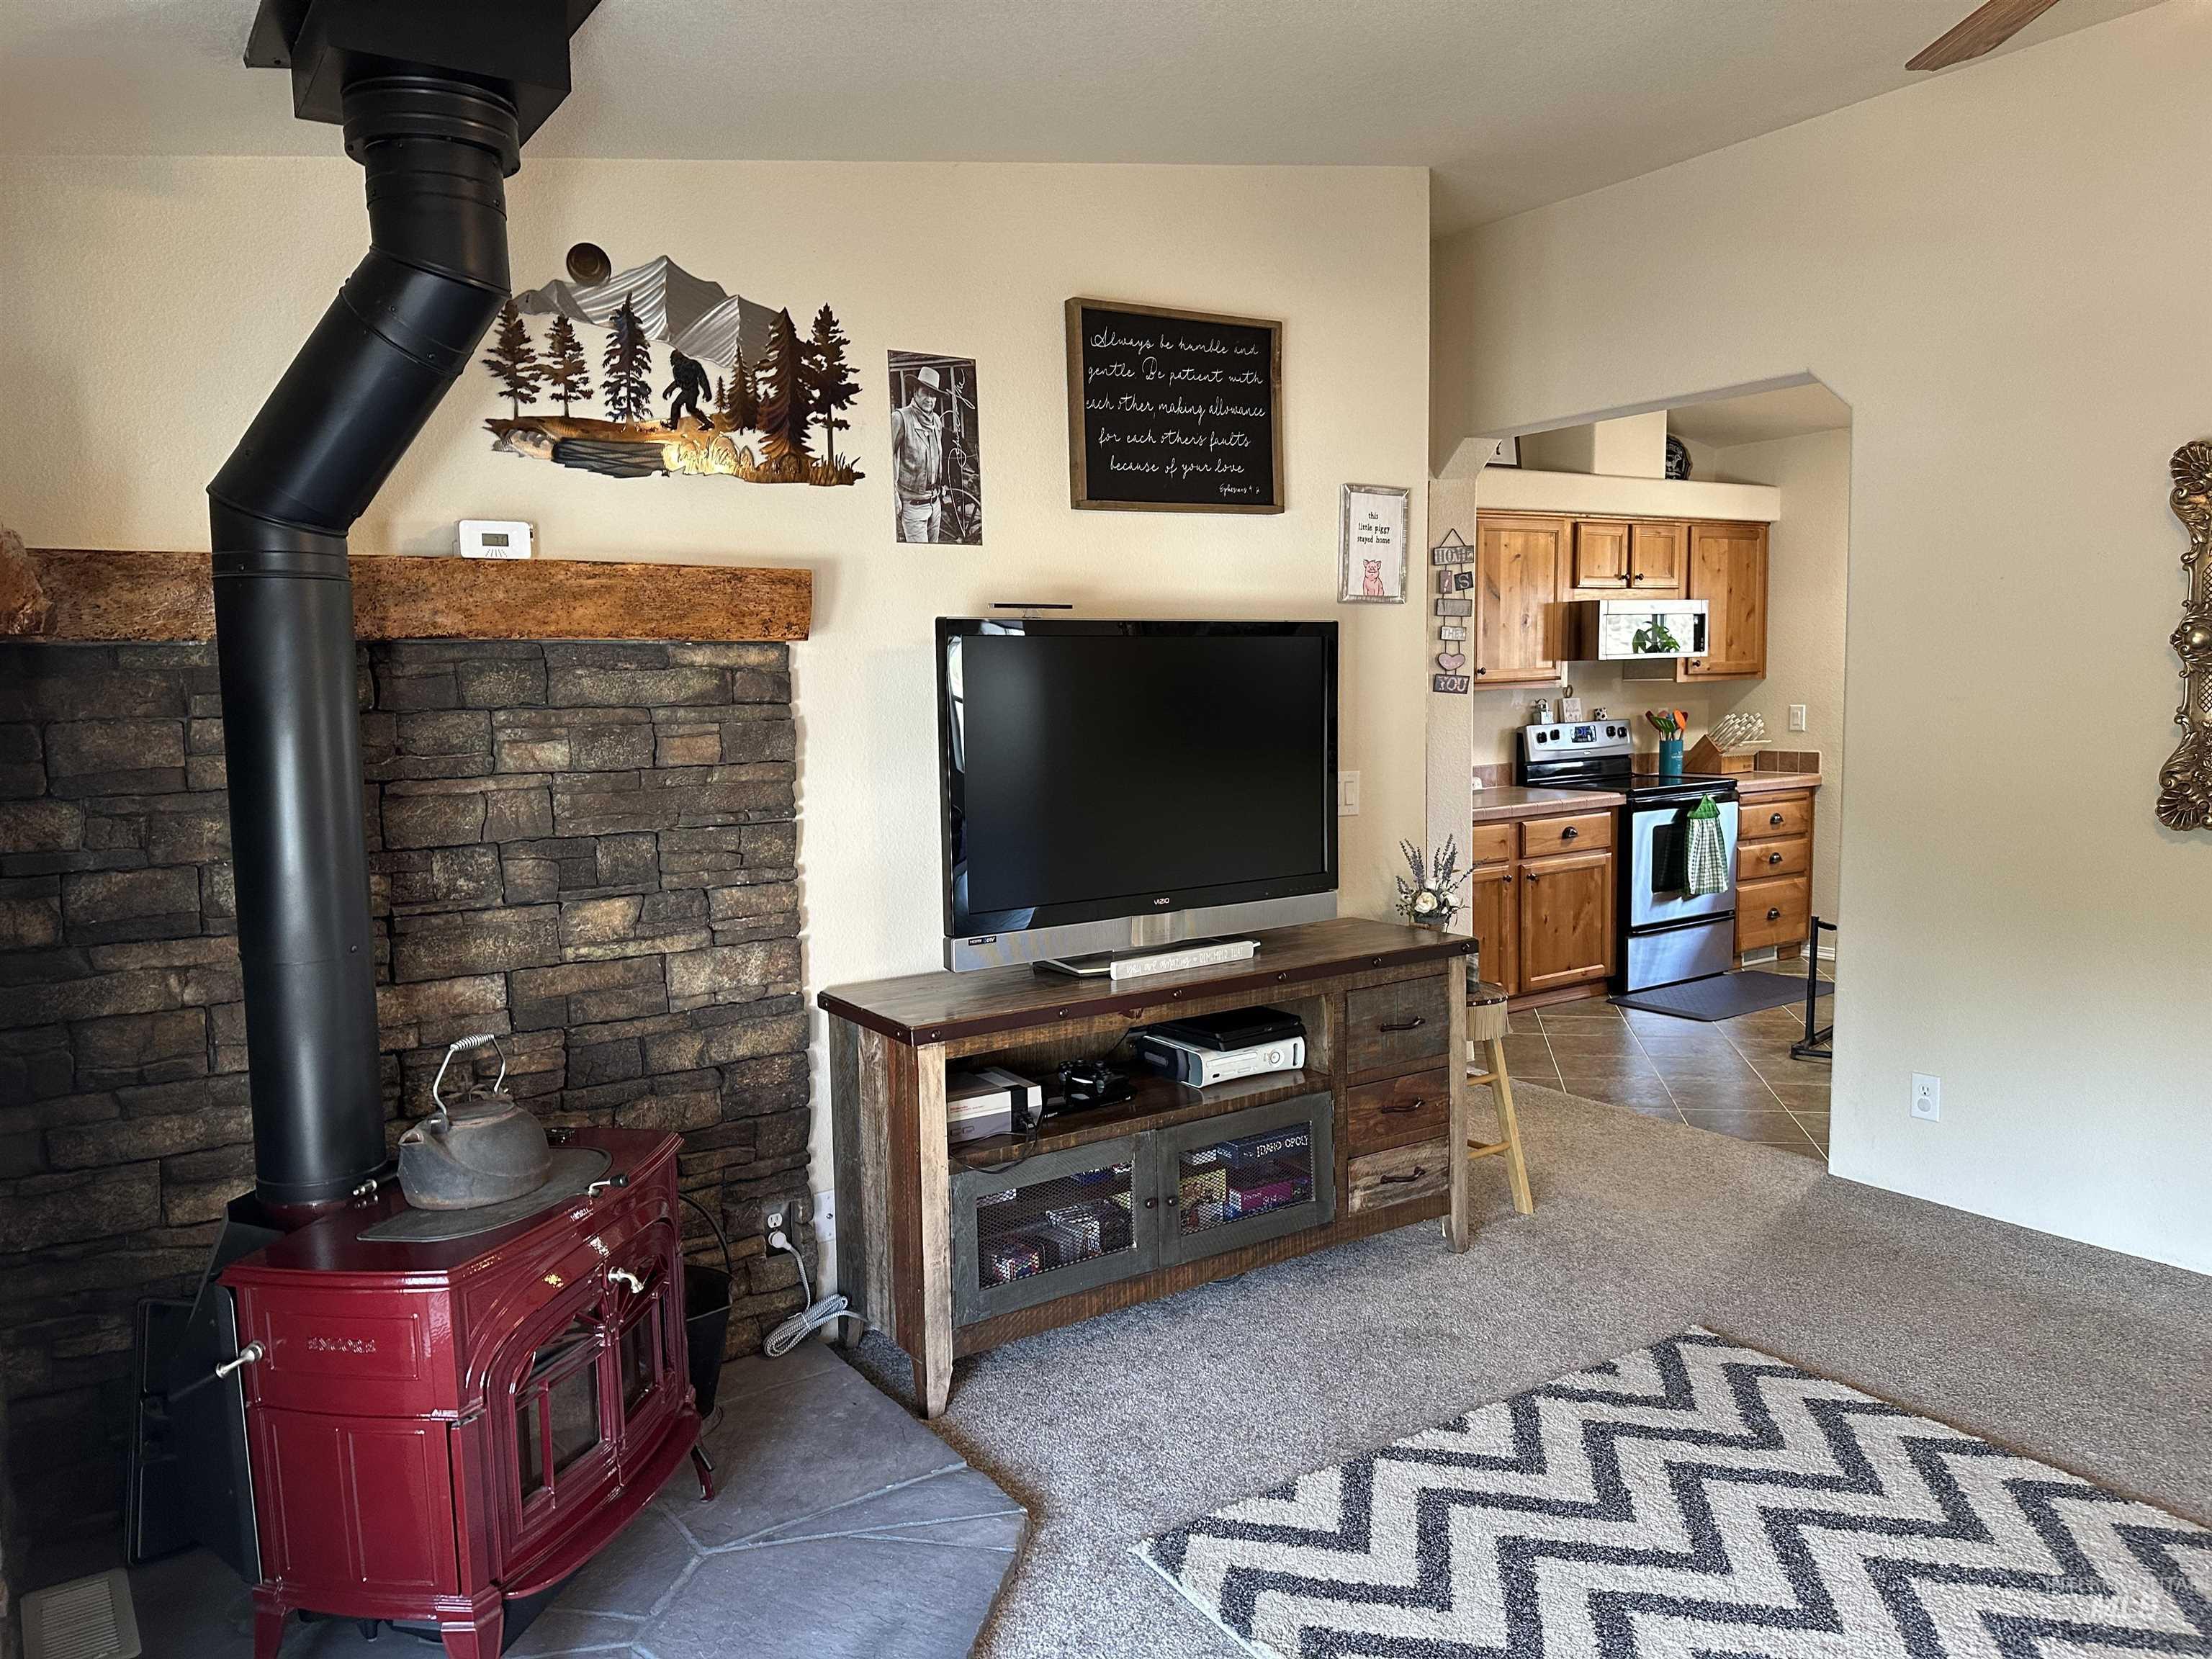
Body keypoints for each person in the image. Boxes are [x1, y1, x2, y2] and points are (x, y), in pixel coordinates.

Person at [891, 366, 947, 542]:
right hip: (913, 506)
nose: (929, 399)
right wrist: (893, 496)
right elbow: (886, 459)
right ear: (915, 392)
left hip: (935, 504)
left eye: (933, 395)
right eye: (925, 393)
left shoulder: (936, 422)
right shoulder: (901, 418)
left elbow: (936, 457)